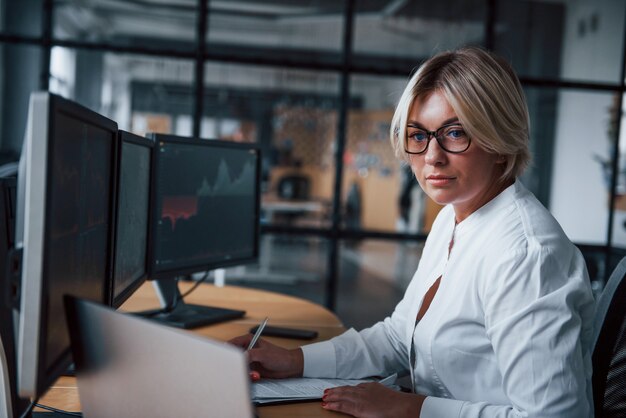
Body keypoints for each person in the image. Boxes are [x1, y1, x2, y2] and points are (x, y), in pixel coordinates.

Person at [230, 46, 595, 417]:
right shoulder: (453, 218)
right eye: (418, 135)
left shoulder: (525, 254)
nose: (432, 156)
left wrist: (412, 409)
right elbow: (396, 336)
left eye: (454, 133)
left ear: (500, 142)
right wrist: (294, 360)